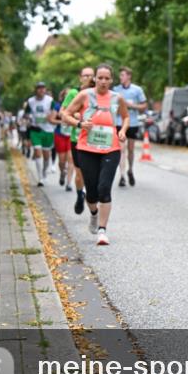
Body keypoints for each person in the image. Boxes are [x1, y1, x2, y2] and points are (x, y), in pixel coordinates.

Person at [61, 63, 129, 246]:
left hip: (111, 148)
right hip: (86, 148)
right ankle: (93, 213)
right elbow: (65, 115)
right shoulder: (85, 95)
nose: (103, 81)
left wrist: (122, 130)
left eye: (107, 78)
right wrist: (79, 124)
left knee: (104, 188)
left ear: (111, 80)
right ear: (95, 79)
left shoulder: (117, 98)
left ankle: (102, 230)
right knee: (91, 193)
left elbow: (126, 116)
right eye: (100, 78)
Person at [63, 67, 95, 213]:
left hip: (96, 139)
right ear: (80, 77)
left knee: (95, 172)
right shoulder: (74, 93)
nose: (88, 78)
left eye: (91, 75)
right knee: (80, 173)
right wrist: (74, 115)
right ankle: (79, 195)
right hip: (78, 138)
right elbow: (62, 112)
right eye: (85, 75)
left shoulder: (99, 93)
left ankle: (91, 194)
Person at [113, 66, 147, 187]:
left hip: (132, 123)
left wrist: (131, 106)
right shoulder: (116, 90)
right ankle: (122, 176)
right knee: (121, 150)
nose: (120, 77)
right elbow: (112, 107)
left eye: (123, 75)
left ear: (129, 76)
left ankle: (130, 170)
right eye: (120, 75)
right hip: (119, 123)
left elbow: (144, 106)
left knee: (130, 150)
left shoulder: (137, 90)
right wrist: (118, 108)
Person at [23, 82, 56, 186]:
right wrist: (28, 118)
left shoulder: (50, 100)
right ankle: (40, 178)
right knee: (37, 152)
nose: (41, 90)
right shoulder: (31, 101)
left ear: (45, 90)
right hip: (35, 130)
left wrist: (51, 116)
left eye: (43, 88)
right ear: (36, 90)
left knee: (46, 156)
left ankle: (44, 173)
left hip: (48, 130)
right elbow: (26, 114)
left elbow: (54, 112)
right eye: (39, 88)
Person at [51, 88, 74, 190]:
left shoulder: (76, 105)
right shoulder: (58, 106)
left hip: (71, 135)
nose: (68, 96)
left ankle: (69, 183)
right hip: (60, 134)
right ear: (63, 96)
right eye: (66, 94)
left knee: (71, 159)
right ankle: (62, 172)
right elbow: (51, 119)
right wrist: (62, 122)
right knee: (61, 160)